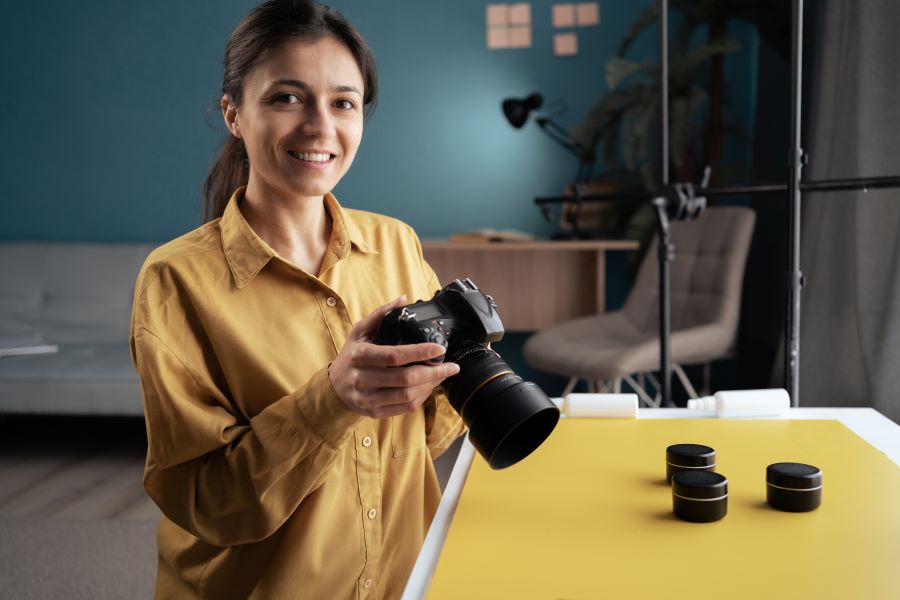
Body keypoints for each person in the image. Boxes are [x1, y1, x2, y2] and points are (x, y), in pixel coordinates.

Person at [129, 1, 465, 597]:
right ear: (233, 114)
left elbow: (421, 440)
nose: (319, 126)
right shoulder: (175, 280)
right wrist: (332, 400)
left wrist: (458, 367)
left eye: (343, 102)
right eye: (287, 98)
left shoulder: (395, 242)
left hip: (400, 582)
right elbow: (207, 503)